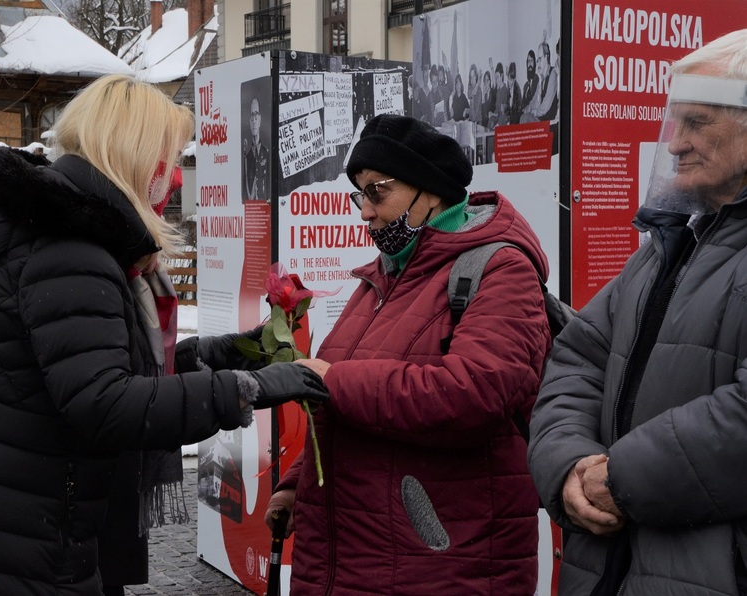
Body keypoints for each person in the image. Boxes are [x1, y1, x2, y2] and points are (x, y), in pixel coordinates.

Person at [0, 74, 328, 596]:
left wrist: (231, 354)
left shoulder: (65, 234)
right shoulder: (70, 249)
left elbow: (96, 365)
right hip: (1, 535)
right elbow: (106, 402)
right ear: (135, 154)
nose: (177, 179)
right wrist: (262, 387)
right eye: (173, 158)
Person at [263, 114, 552, 594]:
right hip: (351, 558)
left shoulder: (500, 269)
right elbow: (348, 405)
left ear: (431, 191)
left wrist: (328, 381)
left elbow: (473, 394)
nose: (365, 212)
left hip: (438, 561)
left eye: (378, 192)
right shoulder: (383, 275)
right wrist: (299, 482)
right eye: (360, 194)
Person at [527, 29, 747, 595]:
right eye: (676, 122)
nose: (674, 144)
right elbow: (577, 359)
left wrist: (617, 479)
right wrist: (570, 464)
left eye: (697, 123)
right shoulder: (669, 246)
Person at [522, 41, 558, 122]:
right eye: (538, 60)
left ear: (546, 57)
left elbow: (545, 105)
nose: (538, 63)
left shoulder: (553, 73)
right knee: (523, 116)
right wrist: (527, 109)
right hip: (540, 120)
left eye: (540, 59)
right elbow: (534, 100)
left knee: (525, 118)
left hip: (548, 122)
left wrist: (535, 112)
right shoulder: (542, 77)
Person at [243, 96, 270, 201]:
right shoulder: (247, 157)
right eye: (252, 118)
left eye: (256, 117)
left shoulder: (266, 153)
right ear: (249, 122)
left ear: (260, 120)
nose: (254, 121)